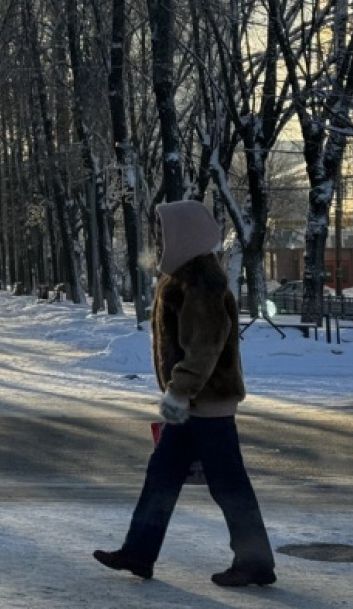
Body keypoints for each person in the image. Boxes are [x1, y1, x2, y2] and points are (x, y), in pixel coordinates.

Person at [94, 200, 275, 587]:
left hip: (206, 404)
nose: (159, 240)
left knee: (228, 486)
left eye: (164, 232)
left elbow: (205, 346)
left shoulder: (202, 283)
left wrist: (179, 392)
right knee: (161, 477)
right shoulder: (183, 277)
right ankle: (139, 552)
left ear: (185, 234)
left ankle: (255, 561)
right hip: (192, 404)